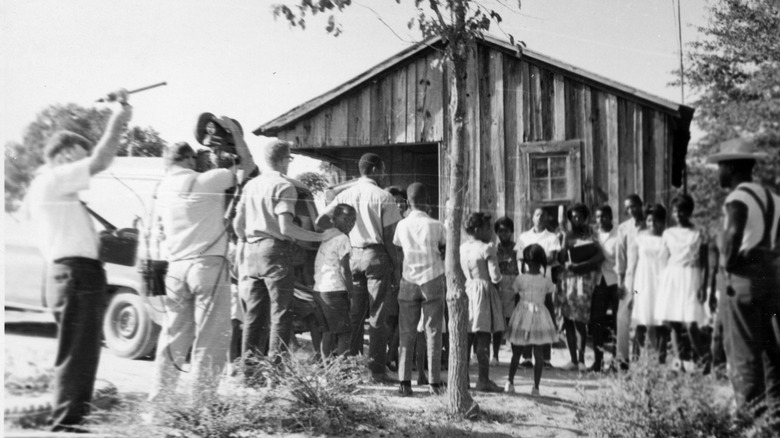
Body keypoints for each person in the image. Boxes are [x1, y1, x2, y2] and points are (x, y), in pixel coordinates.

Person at [24, 91, 132, 432]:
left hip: (66, 273)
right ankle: (67, 425)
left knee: (79, 354)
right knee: (78, 357)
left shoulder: (43, 190)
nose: (82, 168)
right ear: (67, 153)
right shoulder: (55, 179)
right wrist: (120, 116)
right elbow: (101, 159)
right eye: (79, 158)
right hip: (76, 274)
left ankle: (70, 422)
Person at [151, 122, 256, 402]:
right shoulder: (205, 181)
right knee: (210, 339)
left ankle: (158, 404)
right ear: (188, 159)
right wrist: (235, 134)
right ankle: (202, 404)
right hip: (206, 265)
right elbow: (247, 166)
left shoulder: (162, 190)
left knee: (172, 339)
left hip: (175, 269)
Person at [233, 140, 323, 375]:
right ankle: (275, 373)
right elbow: (286, 228)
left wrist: (249, 240)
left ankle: (248, 373)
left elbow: (237, 225)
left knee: (254, 315)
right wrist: (318, 237)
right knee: (280, 314)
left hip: (251, 251)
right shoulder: (284, 186)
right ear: (285, 160)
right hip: (275, 251)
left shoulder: (251, 185)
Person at [708, 137, 780, 421]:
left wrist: (726, 261)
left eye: (721, 167)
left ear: (732, 167)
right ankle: (774, 414)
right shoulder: (774, 198)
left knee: (743, 351)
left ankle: (750, 417)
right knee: (770, 350)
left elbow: (732, 241)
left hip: (742, 279)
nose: (719, 173)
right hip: (771, 278)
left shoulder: (737, 198)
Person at [316, 153, 403, 383]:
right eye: (382, 170)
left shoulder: (346, 194)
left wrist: (341, 231)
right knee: (378, 316)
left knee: (356, 315)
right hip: (376, 255)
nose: (384, 174)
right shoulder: (384, 197)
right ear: (375, 170)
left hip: (352, 255)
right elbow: (388, 236)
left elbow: (321, 221)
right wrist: (396, 267)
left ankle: (351, 367)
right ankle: (376, 371)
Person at [392, 183, 446, 396]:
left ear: (408, 201)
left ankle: (404, 382)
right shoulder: (436, 225)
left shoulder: (401, 225)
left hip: (408, 279)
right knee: (433, 331)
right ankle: (433, 382)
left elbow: (398, 247)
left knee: (406, 332)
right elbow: (444, 247)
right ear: (428, 201)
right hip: (432, 278)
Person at [656, 194, 709, 370]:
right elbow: (662, 260)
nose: (678, 214)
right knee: (674, 322)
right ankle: (679, 362)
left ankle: (703, 361)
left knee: (691, 322)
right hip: (672, 278)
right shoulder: (668, 233)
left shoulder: (698, 232)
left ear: (690, 212)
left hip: (690, 277)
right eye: (676, 211)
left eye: (683, 211)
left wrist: (703, 285)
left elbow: (705, 263)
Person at [505, 244, 558, 396]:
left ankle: (511, 382)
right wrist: (553, 321)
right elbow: (549, 303)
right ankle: (535, 387)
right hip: (538, 317)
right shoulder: (544, 280)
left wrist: (515, 319)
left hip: (523, 315)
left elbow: (516, 301)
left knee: (518, 351)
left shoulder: (521, 279)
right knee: (537, 353)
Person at [461, 212, 505, 392]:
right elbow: (495, 276)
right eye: (488, 228)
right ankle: (483, 379)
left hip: (468, 290)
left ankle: (463, 379)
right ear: (478, 230)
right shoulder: (487, 248)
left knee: (468, 337)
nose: (492, 232)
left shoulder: (462, 248)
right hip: (483, 293)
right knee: (483, 337)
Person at [558, 204, 604, 371]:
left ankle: (582, 360)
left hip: (585, 280)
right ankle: (573, 360)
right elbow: (563, 258)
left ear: (585, 218)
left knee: (580, 320)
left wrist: (582, 265)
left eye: (580, 217)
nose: (576, 220)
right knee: (568, 319)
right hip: (569, 280)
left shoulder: (591, 234)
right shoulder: (567, 235)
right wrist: (563, 241)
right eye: (573, 217)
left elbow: (600, 255)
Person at [516, 208, 561, 368]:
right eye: (537, 214)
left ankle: (546, 358)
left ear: (547, 217)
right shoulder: (524, 237)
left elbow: (551, 258)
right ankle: (527, 357)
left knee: (546, 320)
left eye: (543, 214)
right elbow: (520, 257)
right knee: (527, 319)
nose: (540, 217)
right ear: (532, 217)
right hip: (528, 282)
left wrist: (534, 258)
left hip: (545, 282)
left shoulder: (552, 237)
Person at [313, 204, 357, 358]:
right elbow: (345, 269)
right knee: (345, 333)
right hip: (335, 290)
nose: (350, 223)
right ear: (334, 219)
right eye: (346, 219)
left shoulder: (327, 235)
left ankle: (329, 375)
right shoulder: (343, 238)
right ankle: (342, 375)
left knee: (328, 333)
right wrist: (351, 293)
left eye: (353, 220)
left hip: (320, 289)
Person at [627, 204, 669, 362]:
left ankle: (661, 362)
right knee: (641, 324)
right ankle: (636, 363)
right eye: (650, 220)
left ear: (663, 222)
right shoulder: (639, 239)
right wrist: (633, 293)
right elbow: (632, 268)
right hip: (642, 287)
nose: (653, 224)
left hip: (661, 286)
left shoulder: (667, 240)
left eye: (657, 221)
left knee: (661, 325)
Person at [615, 194, 646, 370]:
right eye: (628, 208)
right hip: (629, 279)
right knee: (623, 318)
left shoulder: (650, 226)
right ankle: (622, 360)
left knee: (642, 319)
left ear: (641, 205)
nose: (631, 210)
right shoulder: (624, 229)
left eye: (634, 206)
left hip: (647, 280)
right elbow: (620, 257)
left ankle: (640, 360)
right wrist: (620, 282)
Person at [590, 205, 619, 372]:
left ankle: (616, 362)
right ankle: (598, 361)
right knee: (597, 322)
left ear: (611, 217)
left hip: (615, 280)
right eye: (598, 217)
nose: (601, 220)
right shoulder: (594, 234)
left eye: (604, 217)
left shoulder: (619, 234)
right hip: (599, 281)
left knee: (617, 322)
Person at [385, 185, 407, 372]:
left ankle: (391, 357)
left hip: (405, 275)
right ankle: (387, 356)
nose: (399, 205)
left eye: (401, 202)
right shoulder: (385, 224)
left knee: (401, 319)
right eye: (395, 202)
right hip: (389, 275)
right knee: (388, 319)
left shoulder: (407, 223)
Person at [494, 217, 519, 366]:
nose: (504, 234)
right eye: (500, 231)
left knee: (513, 321)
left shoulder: (517, 248)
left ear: (512, 231)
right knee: (498, 321)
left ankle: (515, 356)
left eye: (506, 231)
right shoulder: (494, 249)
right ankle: (495, 355)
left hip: (513, 285)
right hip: (499, 285)